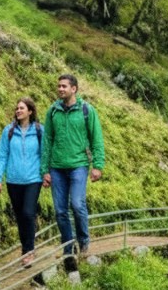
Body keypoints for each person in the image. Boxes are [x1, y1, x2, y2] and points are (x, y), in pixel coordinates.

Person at [41, 74, 105, 274]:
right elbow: (47, 141)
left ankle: (84, 241)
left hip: (79, 165)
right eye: (59, 86)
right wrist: (44, 170)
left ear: (74, 89)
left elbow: (97, 138)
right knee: (60, 211)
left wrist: (98, 165)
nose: (60, 89)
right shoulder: (53, 111)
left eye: (64, 86)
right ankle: (68, 247)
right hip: (57, 167)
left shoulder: (86, 110)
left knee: (77, 204)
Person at [0, 97, 43, 268]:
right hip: (13, 181)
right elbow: (2, 155)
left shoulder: (38, 131)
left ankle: (29, 251)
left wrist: (47, 174)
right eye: (17, 108)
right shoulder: (9, 131)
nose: (18, 110)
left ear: (30, 111)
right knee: (21, 217)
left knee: (28, 213)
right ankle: (25, 248)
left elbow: (45, 155)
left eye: (22, 108)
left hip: (33, 180)